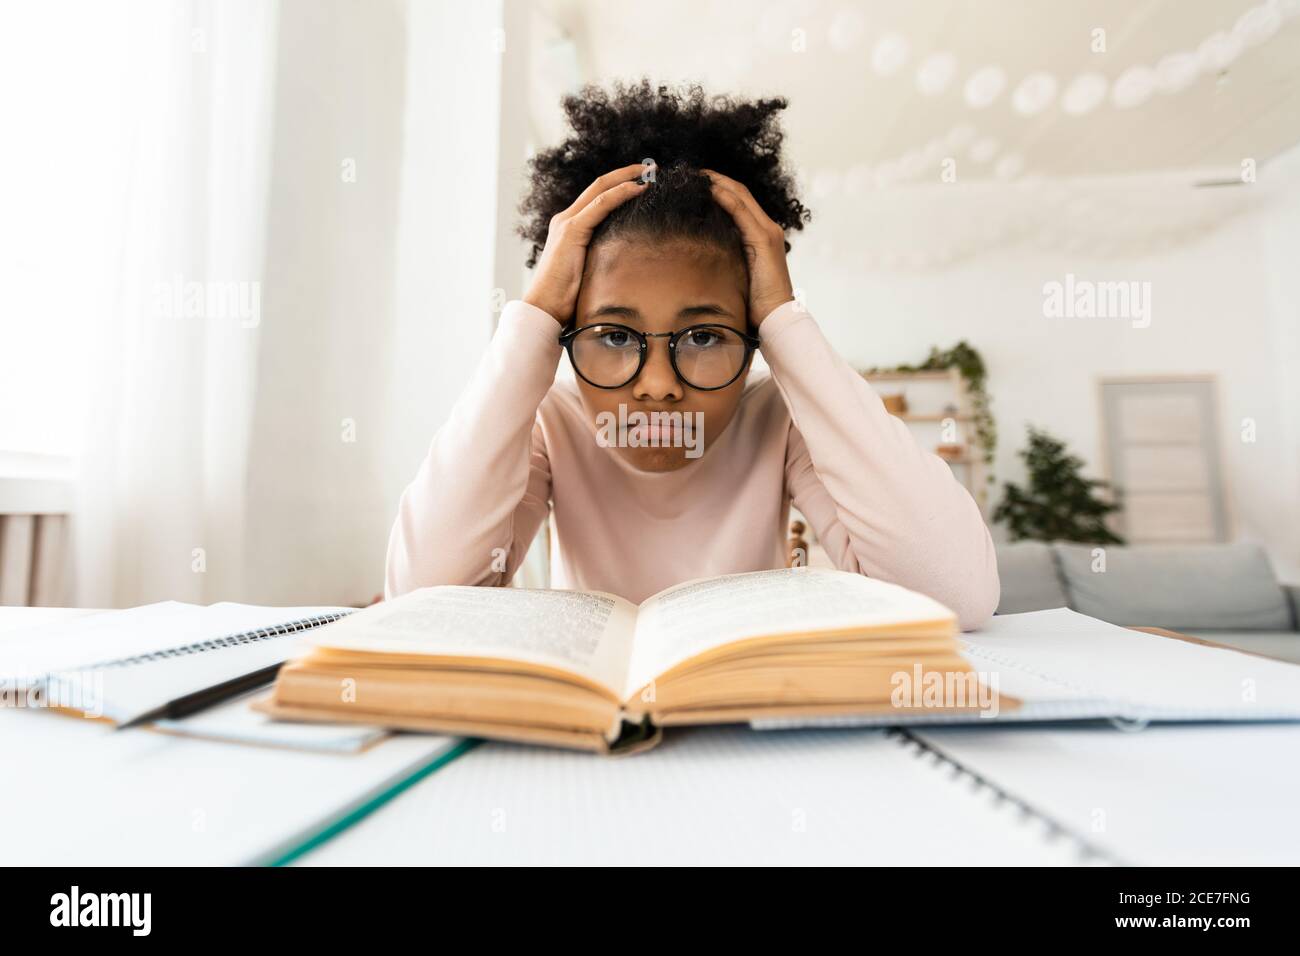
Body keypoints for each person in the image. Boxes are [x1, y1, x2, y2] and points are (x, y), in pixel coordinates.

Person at [385, 79, 999, 630]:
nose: (657, 386)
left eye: (704, 337)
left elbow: (955, 596)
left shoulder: (777, 419)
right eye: (615, 335)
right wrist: (533, 321)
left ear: (753, 331)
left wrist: (787, 324)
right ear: (569, 332)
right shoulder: (553, 420)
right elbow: (422, 600)